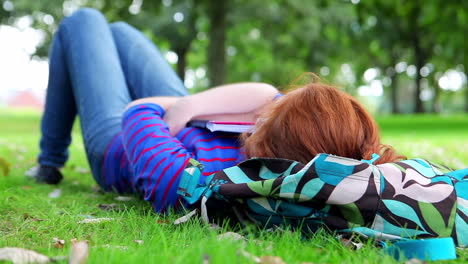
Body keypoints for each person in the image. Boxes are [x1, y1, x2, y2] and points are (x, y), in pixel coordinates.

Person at [30, 8, 403, 213]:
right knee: (122, 32)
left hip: (118, 143)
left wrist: (176, 108)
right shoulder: (290, 148)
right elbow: (265, 93)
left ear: (269, 140)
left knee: (84, 22)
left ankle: (50, 162)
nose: (268, 107)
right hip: (185, 114)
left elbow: (137, 115)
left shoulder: (209, 182)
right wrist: (190, 106)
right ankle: (50, 159)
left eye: (271, 114)